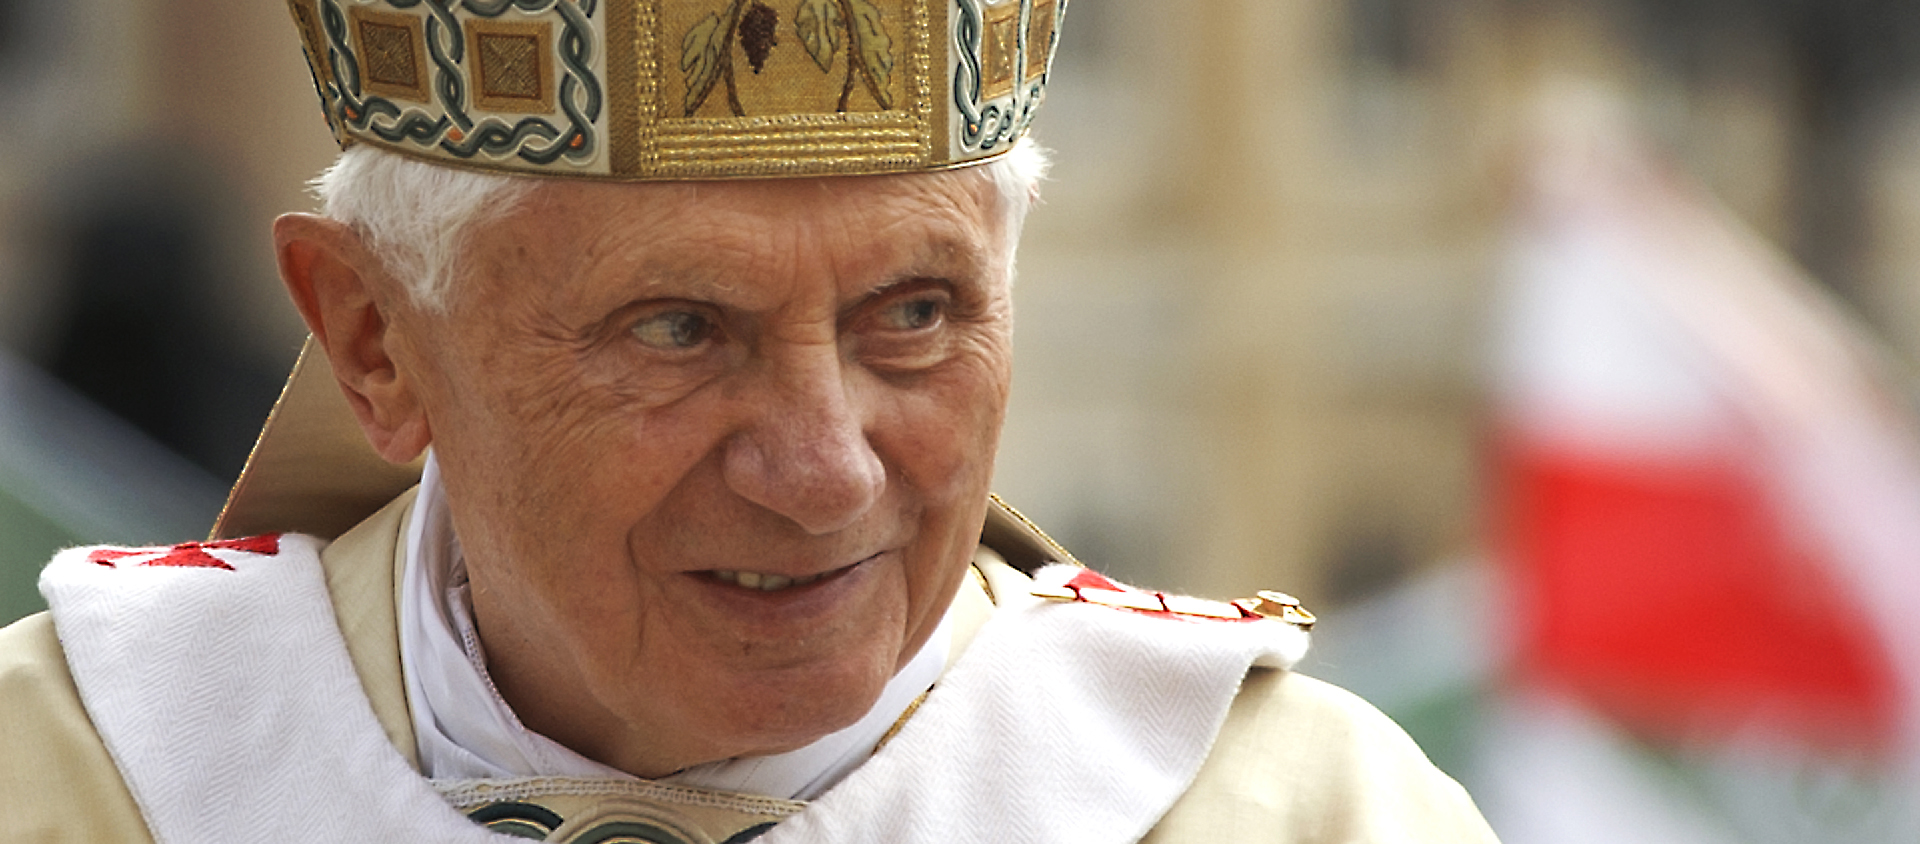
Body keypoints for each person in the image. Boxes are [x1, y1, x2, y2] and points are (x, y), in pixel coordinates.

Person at [0, 0, 1501, 840]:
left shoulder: (1296, 818)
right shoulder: (71, 775)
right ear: (376, 338)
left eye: (912, 314)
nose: (825, 473)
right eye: (678, 329)